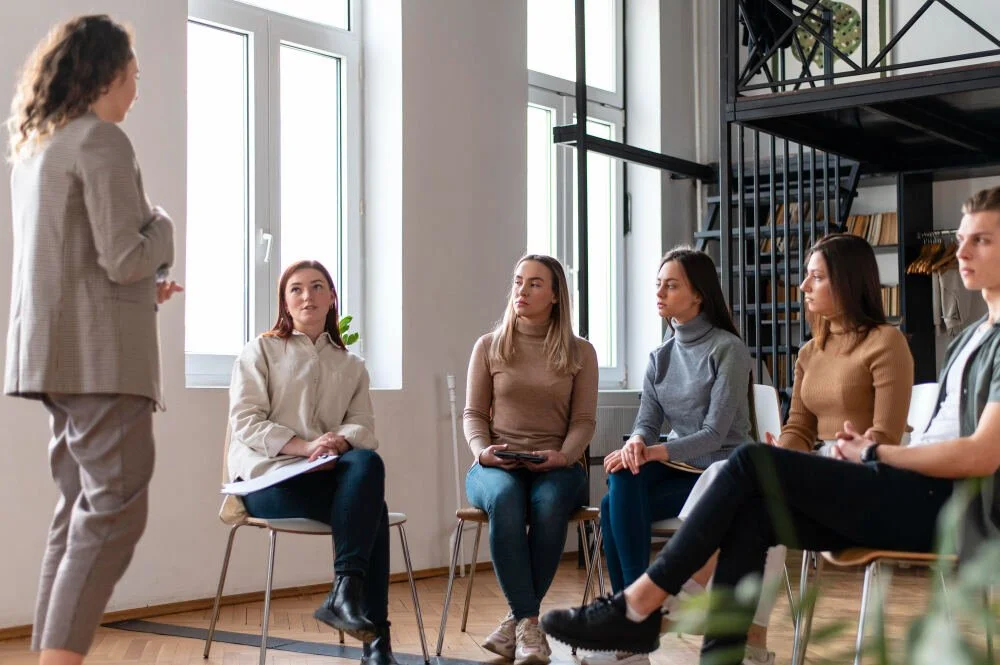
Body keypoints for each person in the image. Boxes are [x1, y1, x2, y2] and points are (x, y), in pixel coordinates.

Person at [540, 188, 1000, 665]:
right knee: (753, 510)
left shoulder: (897, 343)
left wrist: (874, 453)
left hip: (948, 507)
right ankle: (716, 651)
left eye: (980, 241)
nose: (960, 252)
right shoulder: (970, 336)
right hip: (893, 483)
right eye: (961, 239)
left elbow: (982, 454)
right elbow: (802, 424)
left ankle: (640, 605)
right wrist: (794, 450)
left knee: (746, 463)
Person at [4, 16, 179, 665]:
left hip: (52, 355)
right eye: (134, 74)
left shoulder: (40, 146)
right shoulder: (103, 141)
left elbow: (77, 261)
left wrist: (143, 290)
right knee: (114, 513)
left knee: (77, 508)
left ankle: (51, 657)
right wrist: (163, 227)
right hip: (102, 362)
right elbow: (125, 255)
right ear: (108, 72)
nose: (137, 88)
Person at [228, 260, 395, 665]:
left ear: (332, 298)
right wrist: (304, 448)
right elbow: (245, 421)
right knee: (375, 511)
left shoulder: (351, 365)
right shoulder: (261, 350)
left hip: (324, 478)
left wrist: (335, 444)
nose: (308, 296)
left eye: (318, 287)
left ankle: (347, 595)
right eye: (297, 289)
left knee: (367, 463)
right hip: (267, 483)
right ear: (285, 302)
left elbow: (363, 428)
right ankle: (375, 640)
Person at [595, 248, 751, 651]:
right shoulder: (660, 356)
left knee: (614, 503)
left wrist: (652, 453)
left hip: (722, 471)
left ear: (698, 294)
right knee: (619, 480)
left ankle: (631, 615)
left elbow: (715, 435)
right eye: (658, 284)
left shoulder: (728, 349)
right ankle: (636, 611)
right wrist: (634, 444)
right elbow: (647, 424)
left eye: (672, 284)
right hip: (681, 466)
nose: (660, 292)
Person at [464, 254, 599, 665]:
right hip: (495, 464)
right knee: (505, 499)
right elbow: (473, 414)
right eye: (519, 281)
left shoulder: (581, 352)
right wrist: (481, 451)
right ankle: (528, 624)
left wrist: (563, 456)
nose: (522, 290)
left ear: (556, 295)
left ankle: (519, 624)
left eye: (535, 284)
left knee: (549, 503)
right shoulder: (489, 346)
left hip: (557, 467)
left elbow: (583, 421)